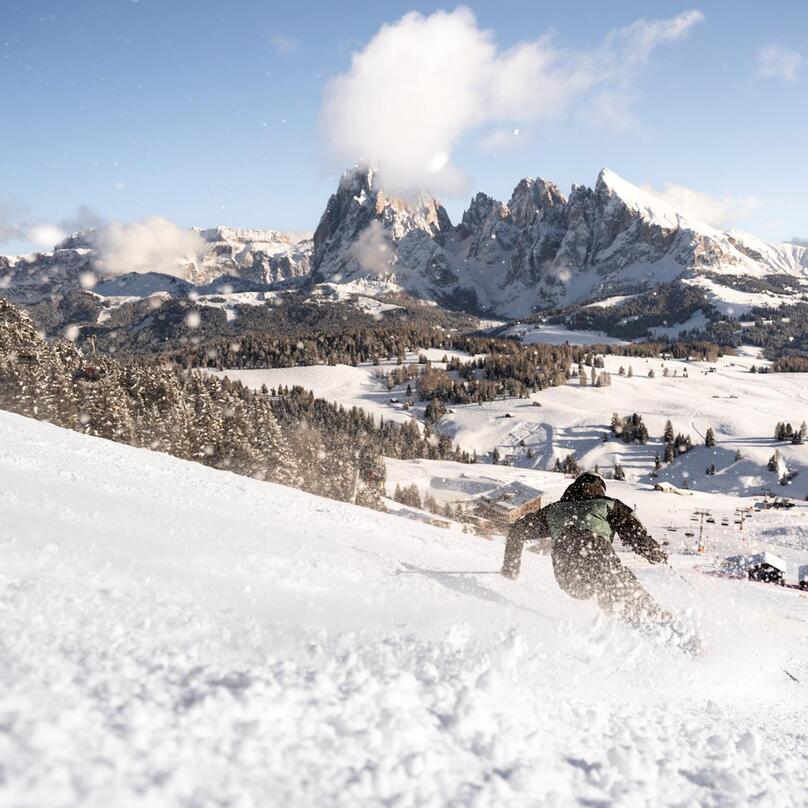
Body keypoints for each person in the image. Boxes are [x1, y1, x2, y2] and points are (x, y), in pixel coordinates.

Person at [501, 471, 672, 628]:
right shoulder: (608, 505)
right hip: (597, 554)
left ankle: (619, 628)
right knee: (629, 597)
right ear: (600, 489)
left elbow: (517, 531)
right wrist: (655, 554)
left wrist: (510, 570)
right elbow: (636, 535)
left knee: (603, 594)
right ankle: (661, 627)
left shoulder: (552, 510)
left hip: (567, 573)